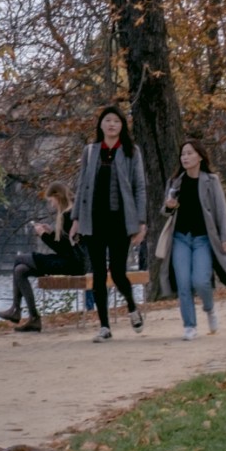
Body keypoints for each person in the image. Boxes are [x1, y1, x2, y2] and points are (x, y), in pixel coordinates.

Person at [71, 106, 148, 341]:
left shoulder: (130, 152)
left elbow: (139, 188)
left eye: (116, 120)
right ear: (101, 125)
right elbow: (82, 184)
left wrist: (141, 222)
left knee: (117, 271)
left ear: (122, 126)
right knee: (97, 273)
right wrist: (75, 219)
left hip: (119, 221)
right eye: (107, 120)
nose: (112, 124)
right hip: (93, 220)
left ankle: (132, 306)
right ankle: (104, 326)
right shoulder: (91, 151)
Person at [157, 139, 226, 340]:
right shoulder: (175, 182)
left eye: (189, 153)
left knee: (201, 281)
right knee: (183, 282)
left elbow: (221, 212)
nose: (185, 157)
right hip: (180, 239)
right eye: (183, 154)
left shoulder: (211, 181)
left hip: (203, 239)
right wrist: (169, 205)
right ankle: (189, 325)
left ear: (200, 156)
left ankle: (209, 308)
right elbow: (165, 211)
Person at [0, 181, 85, 332]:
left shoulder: (69, 214)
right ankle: (34, 319)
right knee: (20, 270)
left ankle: (16, 309)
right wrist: (51, 232)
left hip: (73, 264)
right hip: (73, 261)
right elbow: (68, 244)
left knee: (19, 259)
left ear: (57, 197)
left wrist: (43, 236)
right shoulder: (70, 213)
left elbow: (66, 249)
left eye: (51, 200)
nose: (51, 204)